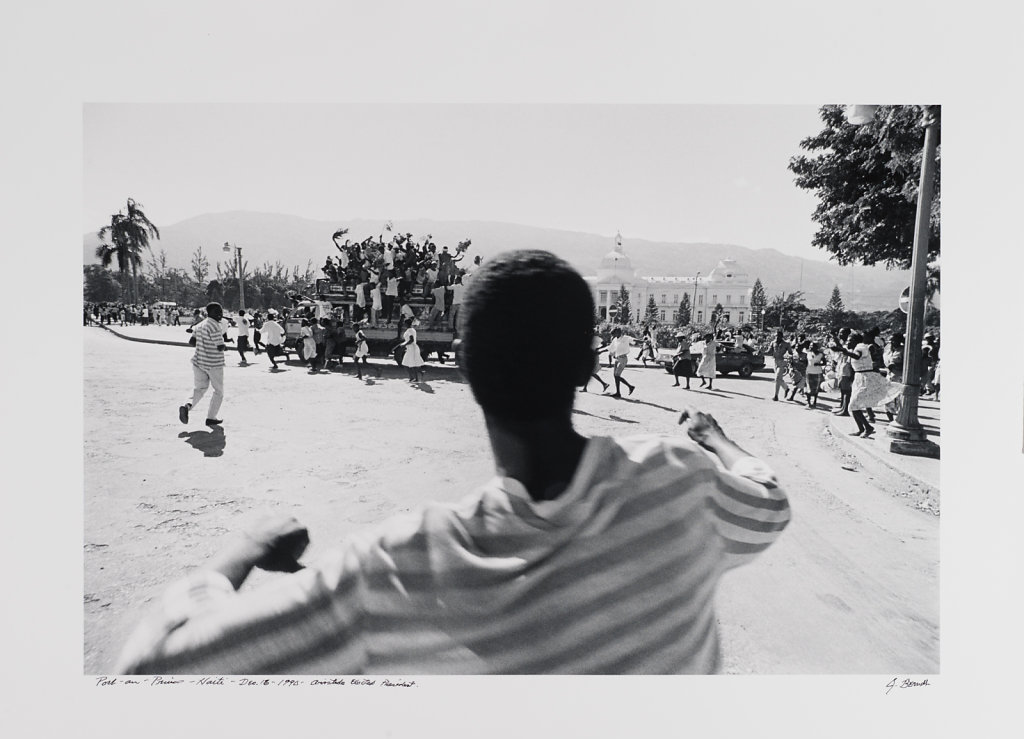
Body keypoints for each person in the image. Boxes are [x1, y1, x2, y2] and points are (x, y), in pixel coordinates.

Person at [116, 249, 791, 676]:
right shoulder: (681, 480)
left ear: (464, 366)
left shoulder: (395, 568)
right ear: (589, 367)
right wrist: (716, 437)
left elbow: (154, 663)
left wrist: (243, 546)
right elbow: (769, 501)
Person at [179, 302, 229, 427]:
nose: (220, 314)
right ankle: (211, 417)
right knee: (219, 391)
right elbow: (220, 346)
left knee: (199, 388)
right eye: (217, 312)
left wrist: (203, 343)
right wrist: (224, 347)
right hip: (214, 363)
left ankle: (187, 406)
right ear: (209, 312)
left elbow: (191, 342)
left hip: (199, 361)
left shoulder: (199, 325)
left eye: (221, 312)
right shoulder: (215, 326)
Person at [608, 327, 635, 399]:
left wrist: (643, 341)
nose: (613, 335)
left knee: (617, 376)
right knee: (615, 376)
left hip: (623, 359)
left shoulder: (625, 338)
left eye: (614, 333)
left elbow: (634, 340)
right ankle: (618, 392)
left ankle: (630, 386)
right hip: (617, 359)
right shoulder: (615, 339)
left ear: (619, 332)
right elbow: (611, 349)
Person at [397, 317, 424, 383]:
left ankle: (414, 378)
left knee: (409, 364)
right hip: (412, 348)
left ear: (406, 324)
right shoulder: (412, 329)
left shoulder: (409, 331)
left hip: (411, 348)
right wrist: (405, 343)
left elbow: (411, 340)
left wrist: (404, 344)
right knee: (409, 364)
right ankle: (413, 378)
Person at [770, 330, 790, 401]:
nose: (777, 337)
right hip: (775, 362)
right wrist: (760, 352)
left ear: (782, 337)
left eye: (779, 336)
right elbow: (769, 352)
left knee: (777, 378)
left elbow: (790, 352)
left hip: (782, 361)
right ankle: (786, 388)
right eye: (776, 335)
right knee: (779, 379)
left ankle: (776, 396)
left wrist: (787, 357)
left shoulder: (786, 344)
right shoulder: (773, 343)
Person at [804, 342, 824, 409]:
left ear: (816, 347)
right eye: (810, 345)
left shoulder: (821, 354)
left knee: (816, 389)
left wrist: (818, 364)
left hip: (817, 372)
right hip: (809, 372)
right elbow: (805, 362)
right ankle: (809, 403)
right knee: (808, 388)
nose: (810, 347)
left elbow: (824, 362)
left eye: (812, 346)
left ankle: (814, 402)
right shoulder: (808, 353)